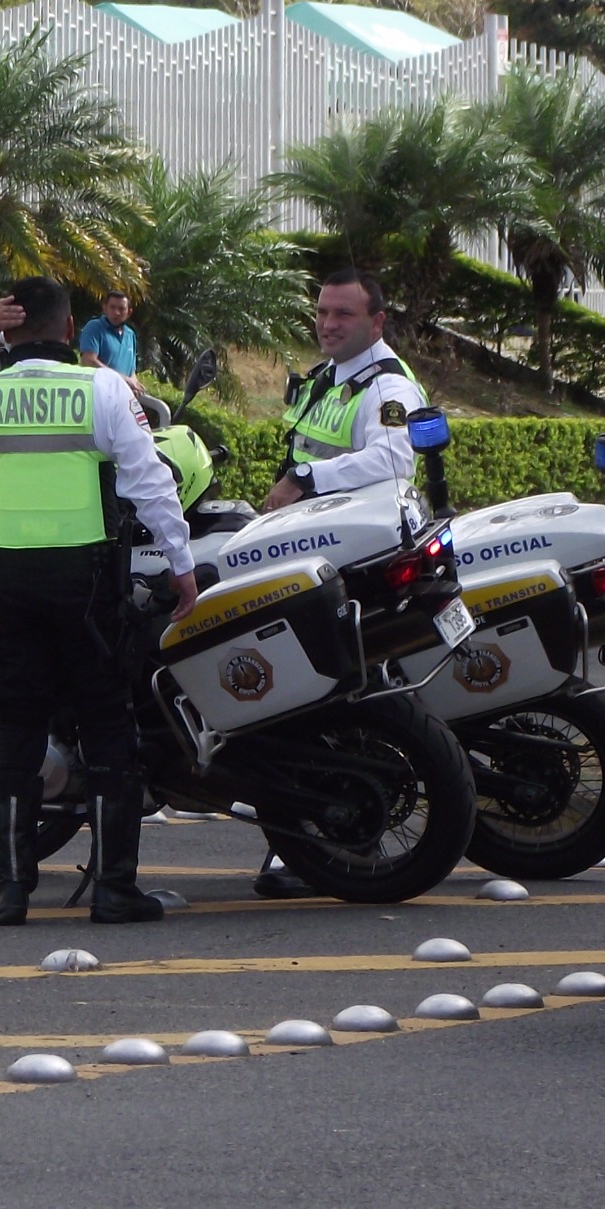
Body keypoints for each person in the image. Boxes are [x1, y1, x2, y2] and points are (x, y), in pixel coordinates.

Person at [0, 278, 197, 927]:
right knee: (108, 732)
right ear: (71, 329)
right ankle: (114, 889)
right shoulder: (101, 390)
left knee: (14, 733)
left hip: (7, 587)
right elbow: (151, 481)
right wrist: (181, 566)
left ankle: (10, 892)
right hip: (86, 587)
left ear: (3, 330)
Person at [253, 268, 427, 895]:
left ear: (377, 322)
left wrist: (304, 477)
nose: (327, 324)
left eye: (343, 315)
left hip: (355, 561)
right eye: (323, 312)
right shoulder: (334, 376)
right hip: (314, 550)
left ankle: (329, 835)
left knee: (324, 700)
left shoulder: (387, 388)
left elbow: (392, 457)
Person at [78, 289, 140, 382]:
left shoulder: (130, 335)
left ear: (129, 312)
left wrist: (134, 384)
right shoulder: (94, 327)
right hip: (99, 391)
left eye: (121, 309)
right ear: (105, 308)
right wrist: (123, 379)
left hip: (122, 393)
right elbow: (89, 361)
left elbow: (131, 371)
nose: (116, 312)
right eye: (112, 307)